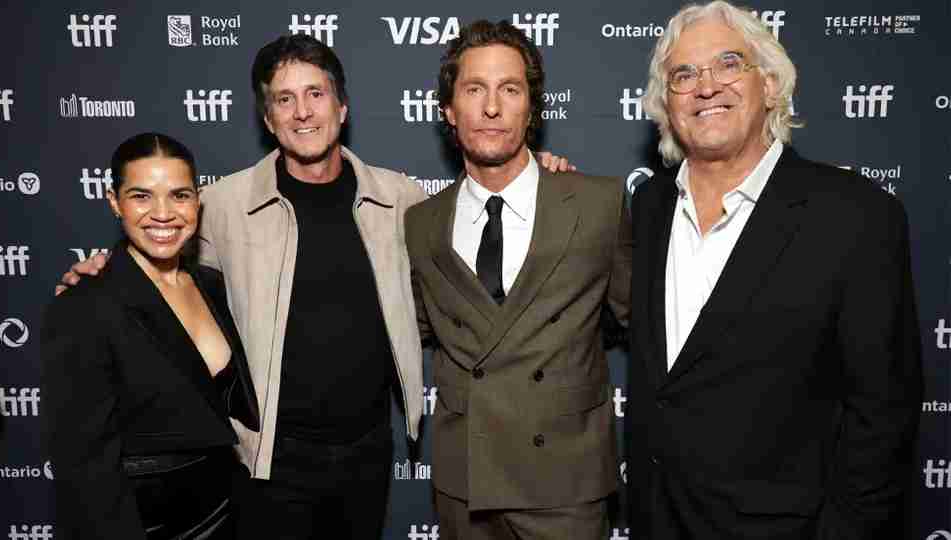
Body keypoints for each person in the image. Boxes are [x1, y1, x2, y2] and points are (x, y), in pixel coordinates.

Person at [58, 33, 574, 539]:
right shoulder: (223, 205)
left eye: (315, 94)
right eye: (285, 98)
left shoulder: (402, 200)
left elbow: (482, 206)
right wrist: (107, 270)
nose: (302, 111)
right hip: (267, 458)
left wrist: (538, 174)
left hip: (368, 452)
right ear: (268, 119)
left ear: (342, 108)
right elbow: (164, 249)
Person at [625, 2, 923, 539]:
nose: (706, 86)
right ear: (665, 104)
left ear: (769, 83)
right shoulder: (647, 207)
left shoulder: (854, 214)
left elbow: (883, 415)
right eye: (683, 74)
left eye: (728, 64)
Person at [405, 20, 632, 538]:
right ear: (447, 110)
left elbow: (646, 324)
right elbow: (415, 326)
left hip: (566, 484)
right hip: (466, 484)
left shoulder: (597, 205)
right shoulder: (420, 223)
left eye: (509, 89)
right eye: (474, 89)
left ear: (532, 109)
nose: (491, 107)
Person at [42, 133, 260, 539]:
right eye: (142, 196)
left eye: (179, 195)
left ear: (198, 201)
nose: (163, 214)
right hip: (148, 527)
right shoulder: (83, 306)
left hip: (225, 512)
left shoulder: (210, 284)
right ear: (114, 202)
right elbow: (84, 471)